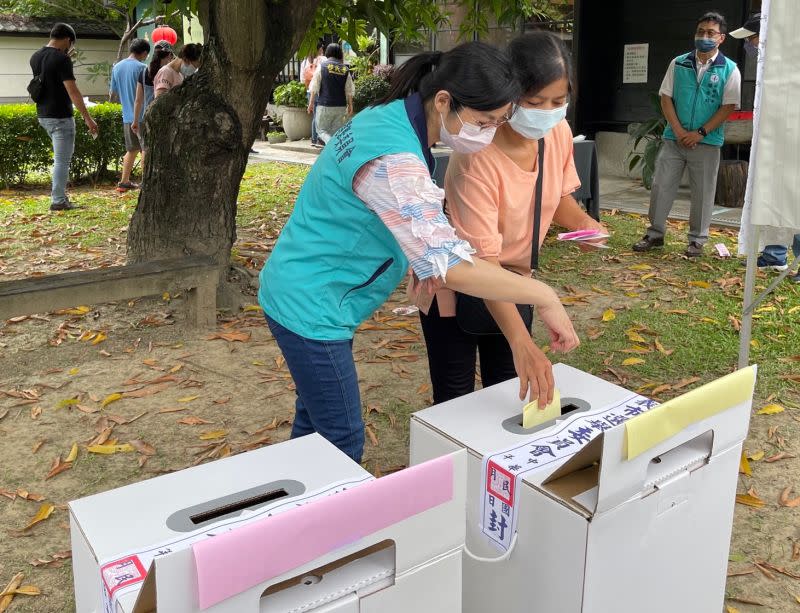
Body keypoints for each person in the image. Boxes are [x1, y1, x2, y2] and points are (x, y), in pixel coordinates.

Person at [258, 42, 580, 463]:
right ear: (444, 102)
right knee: (341, 437)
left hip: (309, 290)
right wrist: (544, 295)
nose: (488, 134)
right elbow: (449, 266)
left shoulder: (392, 119)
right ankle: (326, 526)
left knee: (314, 428)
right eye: (485, 122)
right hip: (311, 306)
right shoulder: (395, 160)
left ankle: (291, 514)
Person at [420, 31, 606, 406]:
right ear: (508, 94)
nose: (548, 112)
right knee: (454, 398)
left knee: (507, 391)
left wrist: (585, 224)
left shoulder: (558, 132)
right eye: (535, 101)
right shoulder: (476, 155)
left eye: (559, 100)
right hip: (458, 286)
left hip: (517, 283)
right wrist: (521, 340)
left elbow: (555, 197)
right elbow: (483, 266)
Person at [633, 11, 741, 258]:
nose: (704, 37)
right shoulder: (678, 62)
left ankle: (697, 241)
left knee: (703, 192)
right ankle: (654, 234)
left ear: (721, 38)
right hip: (674, 138)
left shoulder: (730, 69)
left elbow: (727, 107)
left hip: (707, 141)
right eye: (700, 32)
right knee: (661, 186)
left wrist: (701, 133)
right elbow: (666, 98)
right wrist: (680, 131)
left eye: (710, 33)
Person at [731, 14, 800, 281]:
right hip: (773, 138)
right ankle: (774, 254)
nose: (749, 44)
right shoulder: (766, 66)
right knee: (772, 190)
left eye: (752, 38)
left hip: (792, 139)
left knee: (793, 195)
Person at [29, 22, 98, 211]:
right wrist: (88, 118)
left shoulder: (36, 56)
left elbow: (50, 78)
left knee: (60, 159)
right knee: (62, 161)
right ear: (68, 39)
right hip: (60, 116)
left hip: (44, 114)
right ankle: (58, 200)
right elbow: (72, 91)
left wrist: (65, 58)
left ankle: (60, 197)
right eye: (71, 43)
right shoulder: (62, 59)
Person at [110, 38, 150, 192]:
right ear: (145, 53)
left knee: (132, 149)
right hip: (142, 114)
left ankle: (124, 181)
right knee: (145, 149)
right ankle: (146, 182)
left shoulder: (117, 67)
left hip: (127, 115)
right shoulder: (143, 68)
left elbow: (113, 92)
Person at [131, 40, 174, 157]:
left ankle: (146, 175)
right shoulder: (169, 73)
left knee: (147, 150)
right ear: (169, 55)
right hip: (167, 117)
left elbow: (138, 100)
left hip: (147, 117)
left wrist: (135, 121)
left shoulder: (144, 72)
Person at [307, 43, 354, 146]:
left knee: (321, 131)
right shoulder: (345, 69)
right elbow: (349, 89)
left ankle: (332, 147)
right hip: (341, 106)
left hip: (325, 105)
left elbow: (314, 86)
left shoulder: (322, 66)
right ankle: (335, 153)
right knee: (335, 132)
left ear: (328, 52)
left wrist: (310, 103)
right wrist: (350, 105)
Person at [301, 42, 325, 146]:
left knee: (315, 116)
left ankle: (314, 139)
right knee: (320, 116)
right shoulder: (322, 60)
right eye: (322, 48)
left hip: (308, 91)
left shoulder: (305, 61)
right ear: (319, 49)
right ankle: (317, 139)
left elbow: (302, 80)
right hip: (319, 91)